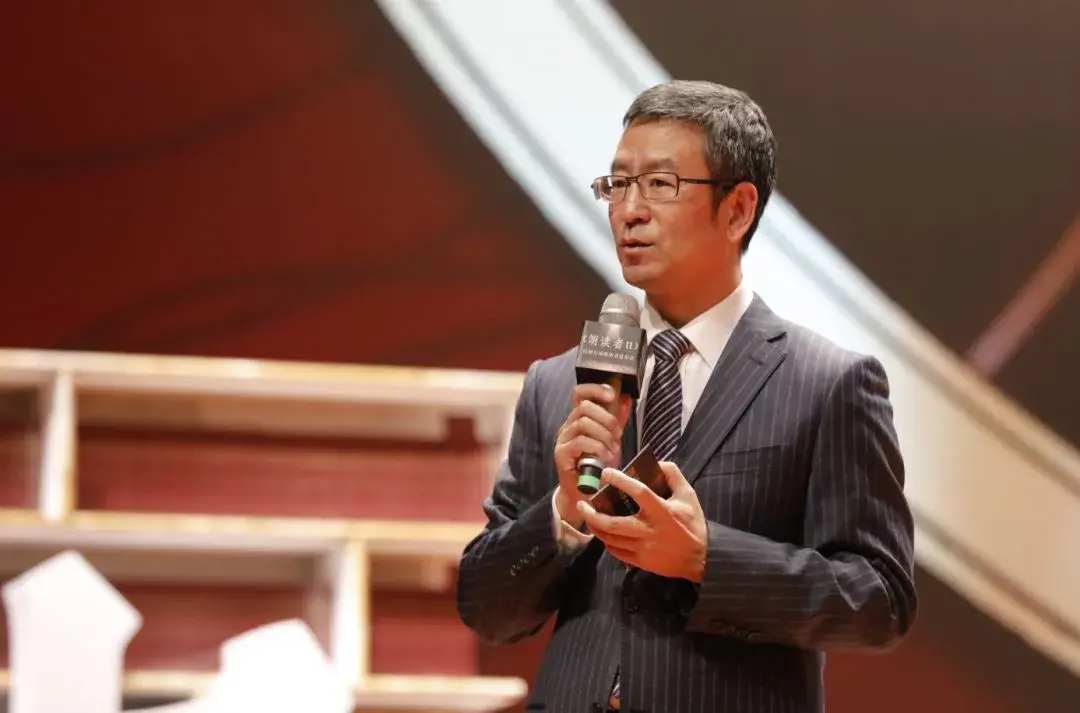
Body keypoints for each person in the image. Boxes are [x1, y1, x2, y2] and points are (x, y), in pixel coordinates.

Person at [456, 79, 917, 713]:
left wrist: (708, 559)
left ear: (738, 210)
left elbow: (879, 599)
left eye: (660, 184)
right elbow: (485, 607)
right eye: (617, 184)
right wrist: (562, 512)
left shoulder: (828, 381)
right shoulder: (558, 384)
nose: (629, 210)